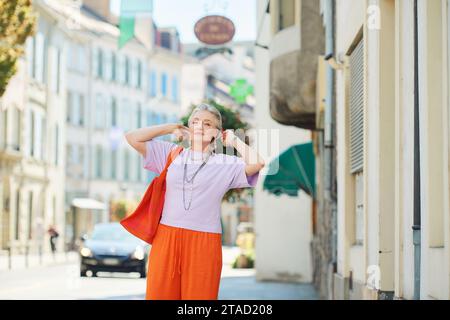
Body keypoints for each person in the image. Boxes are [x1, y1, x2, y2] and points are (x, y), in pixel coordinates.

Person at [125, 103, 265, 300]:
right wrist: (170, 128)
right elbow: (132, 137)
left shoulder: (225, 164)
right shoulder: (170, 154)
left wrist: (234, 141)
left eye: (207, 124)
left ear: (217, 134)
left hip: (205, 241)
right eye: (195, 122)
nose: (200, 126)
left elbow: (257, 163)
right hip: (167, 237)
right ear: (189, 127)